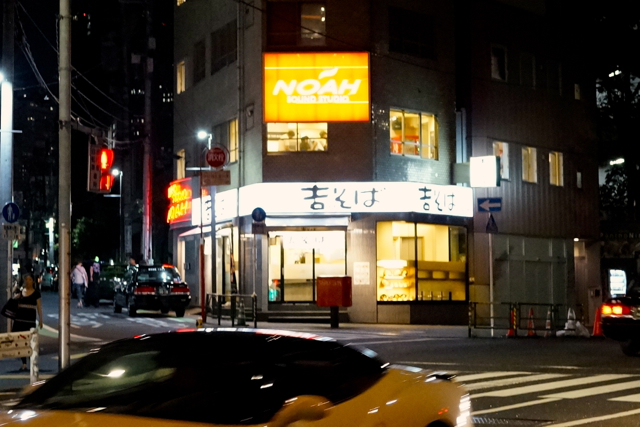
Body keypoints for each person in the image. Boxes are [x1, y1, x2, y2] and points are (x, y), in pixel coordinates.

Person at [13, 273, 43, 371]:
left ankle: (32, 362)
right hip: (19, 320)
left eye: (29, 279)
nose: (28, 281)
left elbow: (39, 307)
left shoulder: (36, 293)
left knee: (30, 342)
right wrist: (16, 293)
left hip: (29, 321)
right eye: (26, 280)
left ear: (33, 281)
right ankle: (24, 364)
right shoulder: (20, 292)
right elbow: (13, 301)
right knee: (21, 342)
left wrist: (41, 319)